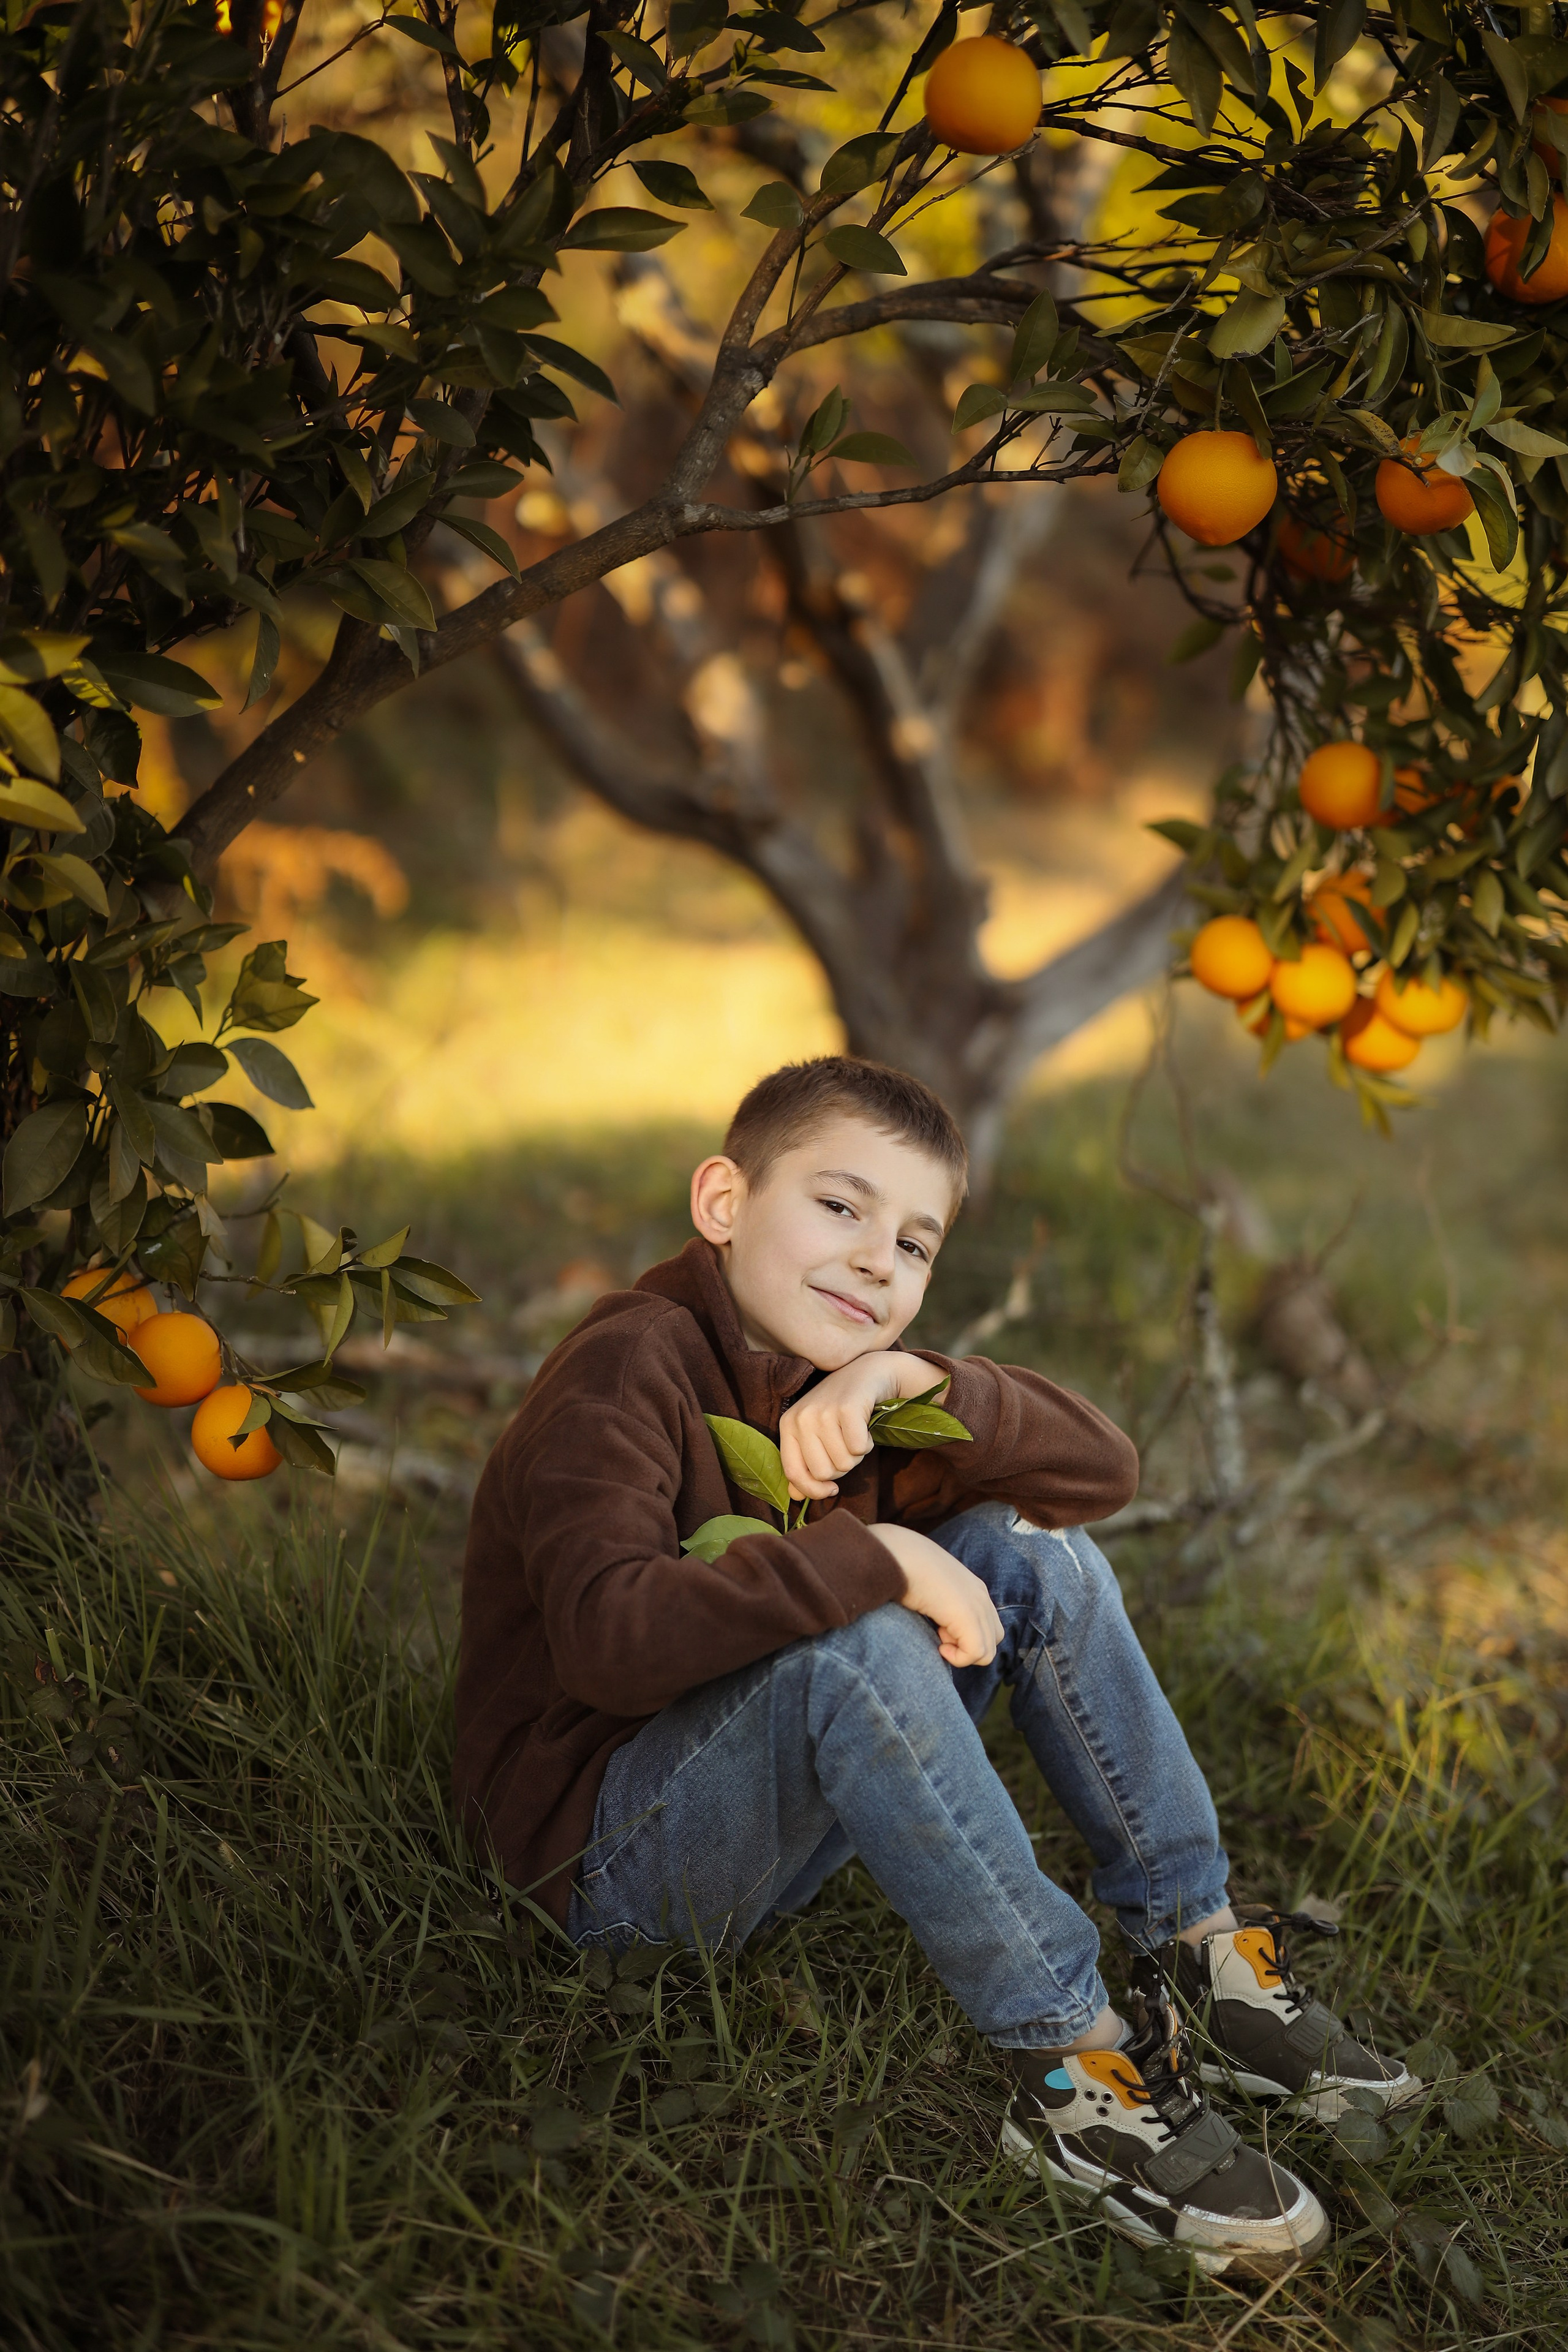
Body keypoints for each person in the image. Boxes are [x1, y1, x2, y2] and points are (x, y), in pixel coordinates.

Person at [455, 1055, 1416, 2276]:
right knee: (856, 1638)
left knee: (1031, 1553)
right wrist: (884, 1558)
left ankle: (1201, 1954)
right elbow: (612, 1639)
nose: (873, 1259)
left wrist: (914, 1378)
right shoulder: (624, 1371)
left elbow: (1101, 1479)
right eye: (838, 1206)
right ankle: (1074, 2071)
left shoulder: (854, 1393)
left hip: (753, 1812)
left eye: (912, 1244)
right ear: (723, 1203)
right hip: (605, 1867)